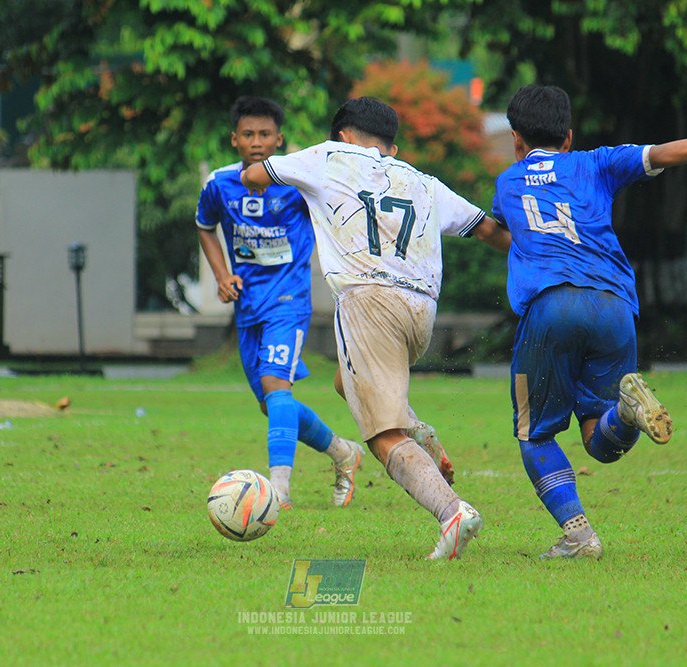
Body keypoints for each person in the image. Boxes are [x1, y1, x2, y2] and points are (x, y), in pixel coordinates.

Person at [490, 84, 687, 559]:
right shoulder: (595, 162)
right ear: (569, 136)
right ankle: (628, 410)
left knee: (535, 433)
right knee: (601, 441)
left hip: (551, 307)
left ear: (515, 139)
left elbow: (504, 233)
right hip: (614, 307)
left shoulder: (507, 182)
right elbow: (667, 152)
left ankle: (578, 536)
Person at [241, 97, 511, 559]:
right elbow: (490, 231)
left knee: (381, 434)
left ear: (343, 134)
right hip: (420, 311)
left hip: (369, 301)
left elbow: (255, 175)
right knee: (346, 382)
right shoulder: (421, 180)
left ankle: (452, 512)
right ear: (392, 145)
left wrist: (284, 177)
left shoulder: (326, 156)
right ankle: (418, 430)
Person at [196, 96, 364, 510]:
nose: (257, 142)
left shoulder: (298, 181)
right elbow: (204, 226)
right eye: (249, 134)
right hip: (246, 305)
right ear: (234, 139)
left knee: (276, 391)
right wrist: (222, 276)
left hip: (288, 300)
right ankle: (343, 453)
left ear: (279, 139)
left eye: (265, 134)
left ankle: (278, 493)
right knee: (272, 403)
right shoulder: (219, 183)